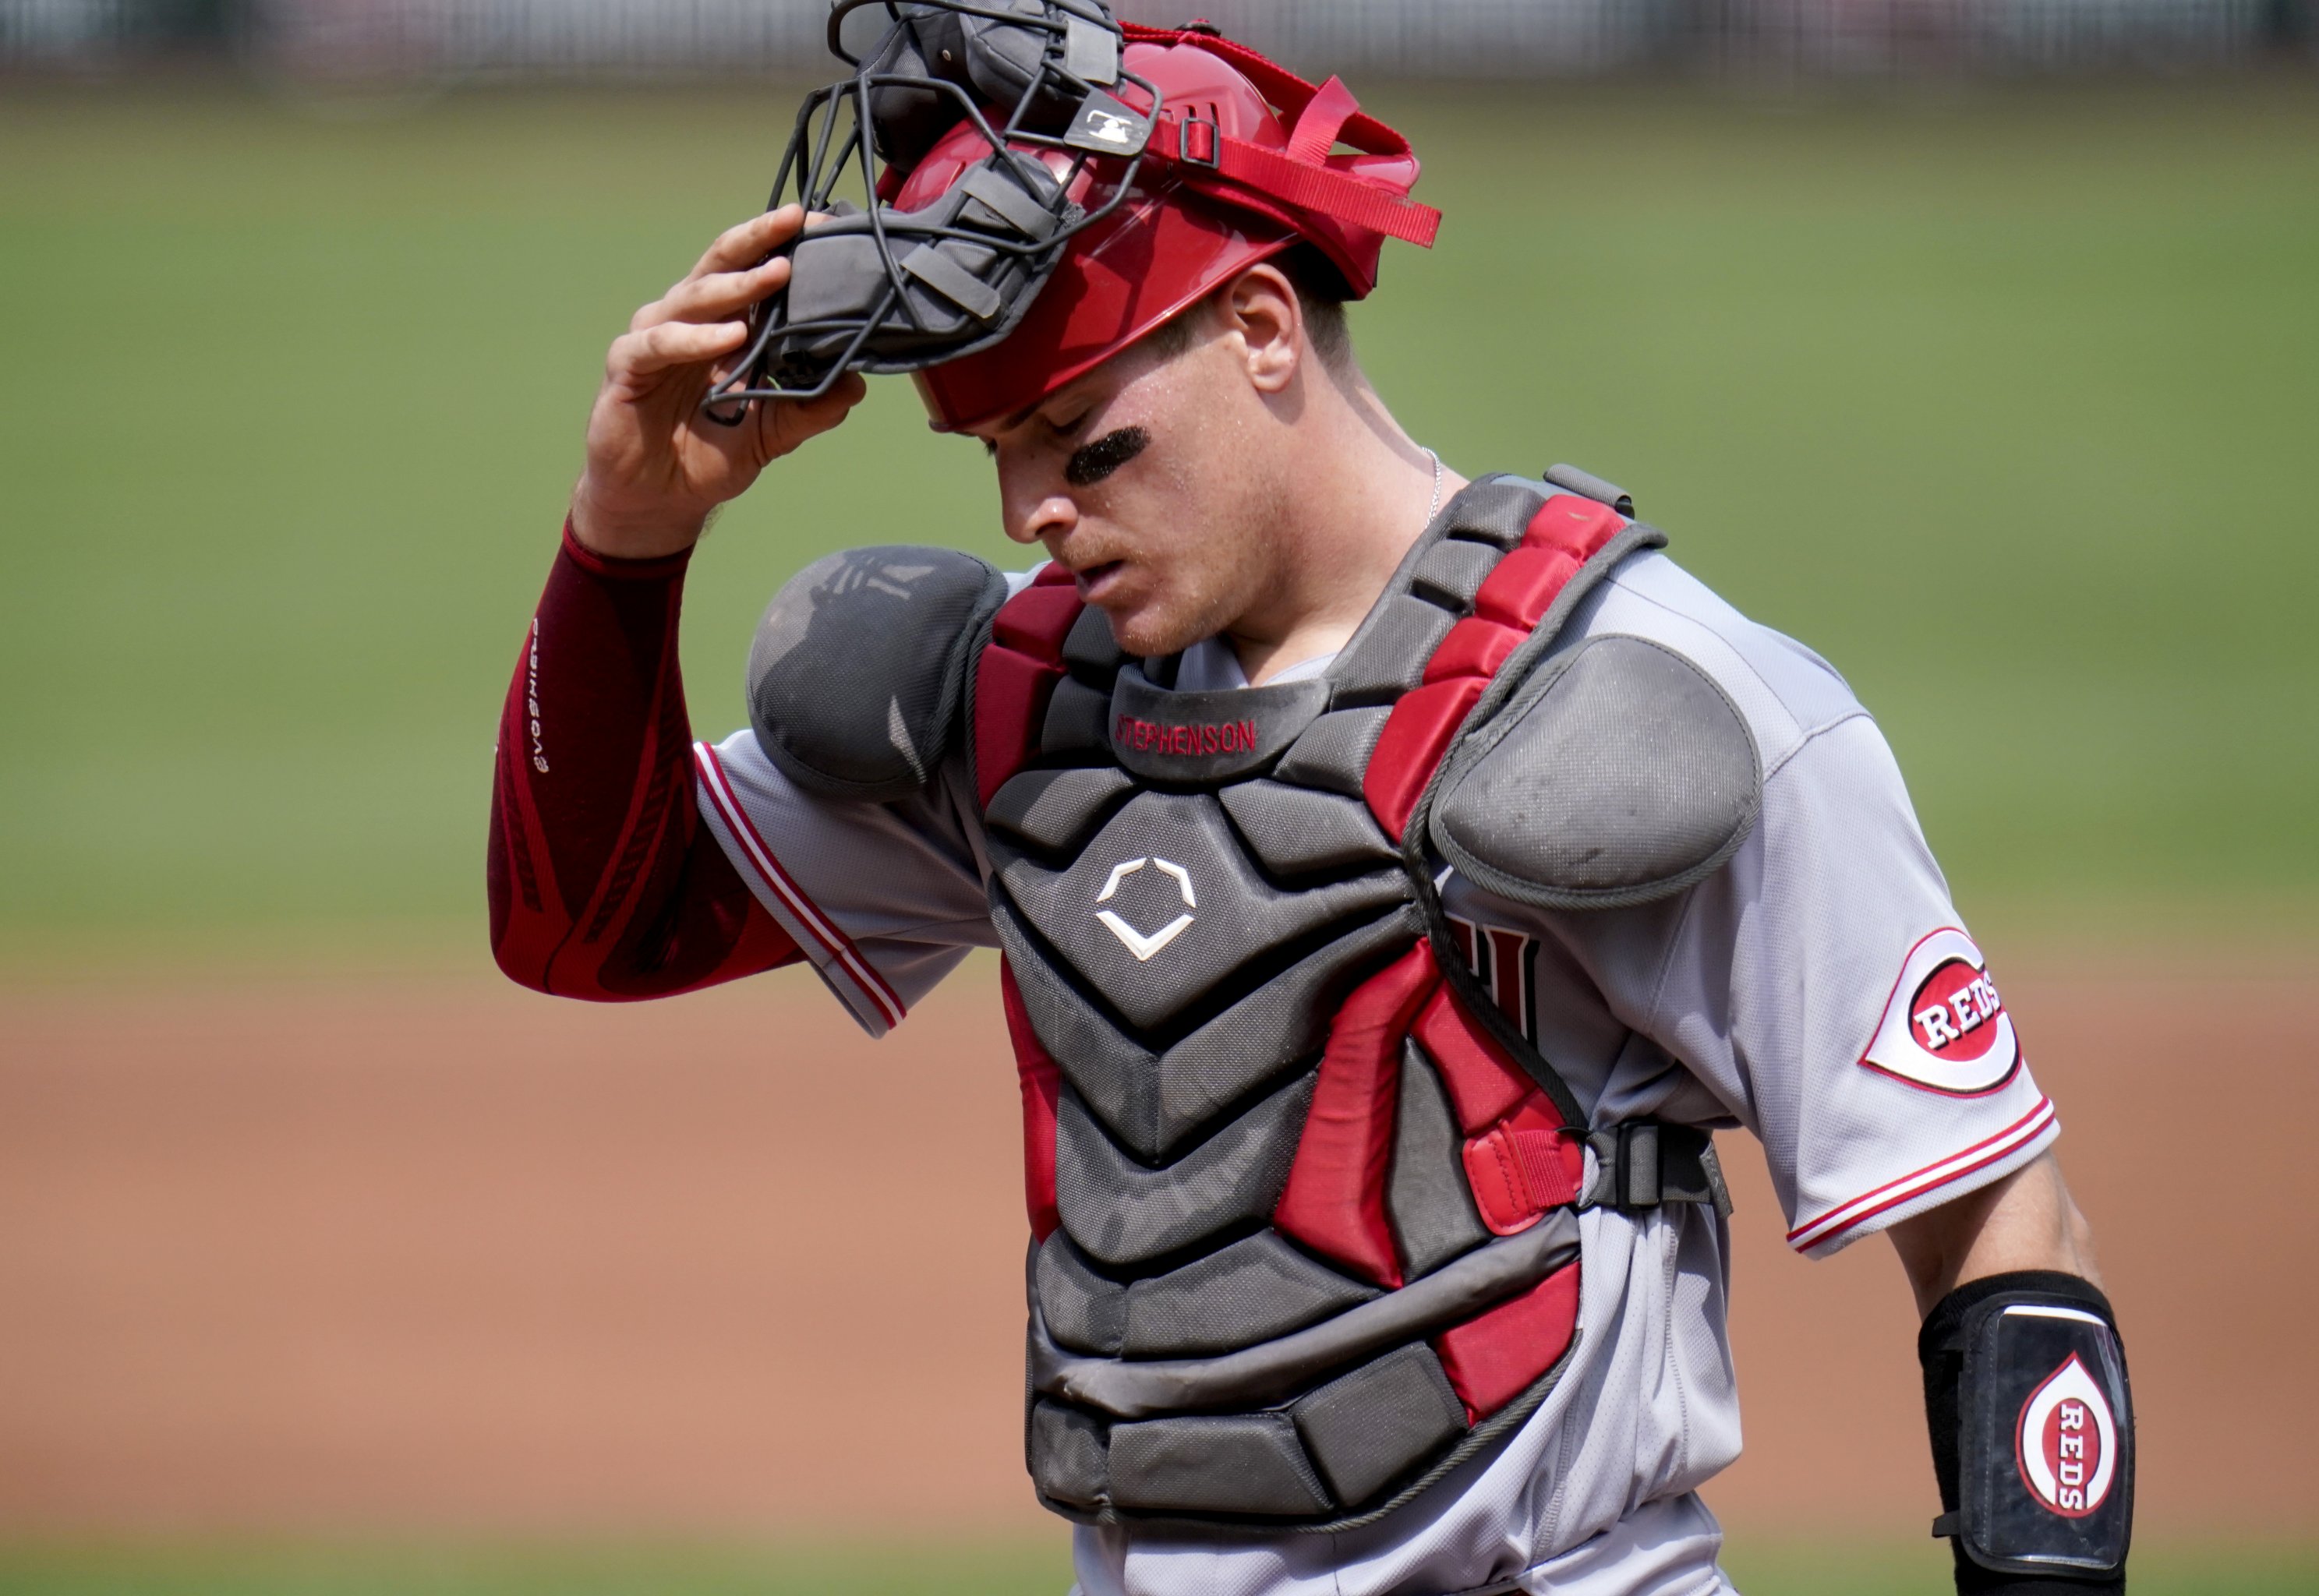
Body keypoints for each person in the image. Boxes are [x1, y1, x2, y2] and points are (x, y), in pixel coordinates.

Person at [487, 10, 2132, 1593]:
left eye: (1079, 437)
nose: (1029, 506)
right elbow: (589, 927)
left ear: (1262, 329)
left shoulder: (1641, 694)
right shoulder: (1029, 709)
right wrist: (626, 536)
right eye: (987, 446)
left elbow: (2001, 1221)